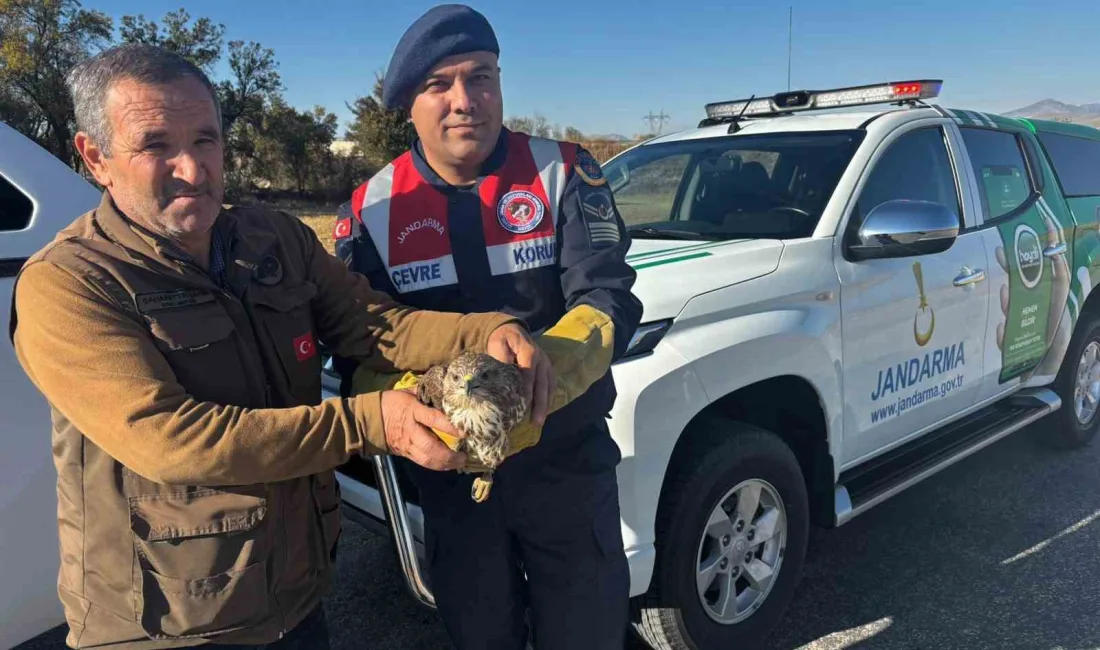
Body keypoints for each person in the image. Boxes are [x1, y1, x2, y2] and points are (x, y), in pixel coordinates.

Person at [8, 43, 553, 650]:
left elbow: (374, 323)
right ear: (96, 157)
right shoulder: (69, 284)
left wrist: (488, 330)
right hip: (169, 626)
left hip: (296, 597)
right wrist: (373, 422)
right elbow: (169, 440)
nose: (192, 169)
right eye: (156, 145)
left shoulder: (274, 239)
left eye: (206, 140)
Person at [332, 5, 644, 648]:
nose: (464, 100)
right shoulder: (371, 209)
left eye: (481, 77)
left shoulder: (562, 171)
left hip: (564, 464)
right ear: (408, 106)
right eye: (438, 85)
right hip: (449, 480)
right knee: (480, 635)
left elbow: (608, 295)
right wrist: (434, 406)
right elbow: (358, 344)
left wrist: (537, 383)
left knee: (586, 633)